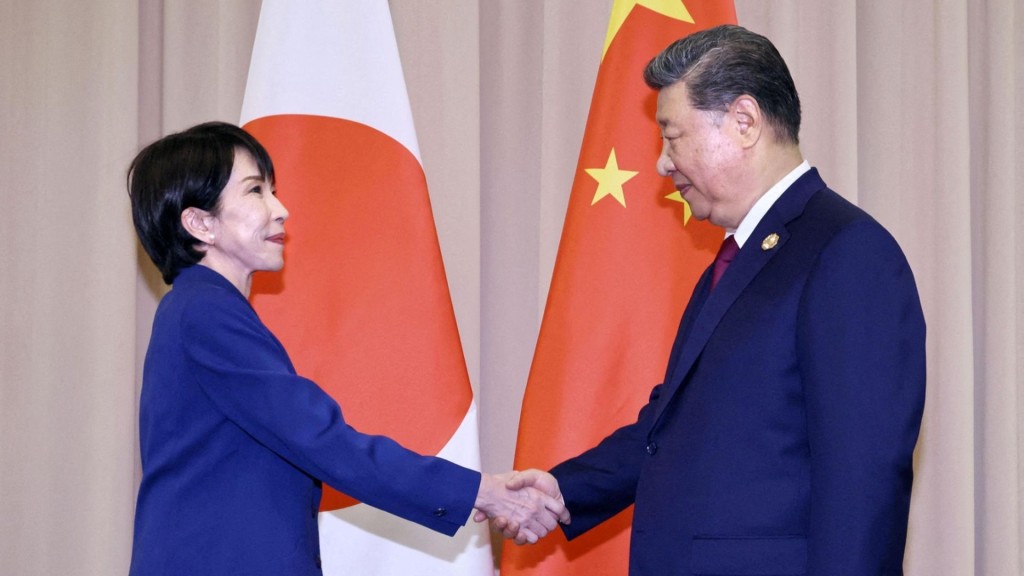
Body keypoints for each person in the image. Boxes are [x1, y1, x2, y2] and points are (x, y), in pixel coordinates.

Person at [505, 25, 926, 575]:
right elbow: (670, 428)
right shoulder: (736, 261)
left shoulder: (846, 253)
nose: (661, 163)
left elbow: (863, 478)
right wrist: (563, 490)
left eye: (672, 136)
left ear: (744, 122)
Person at [126, 121, 568, 576]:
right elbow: (319, 438)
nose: (281, 210)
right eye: (256, 191)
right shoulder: (204, 312)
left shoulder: (199, 309)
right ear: (200, 223)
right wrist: (483, 492)